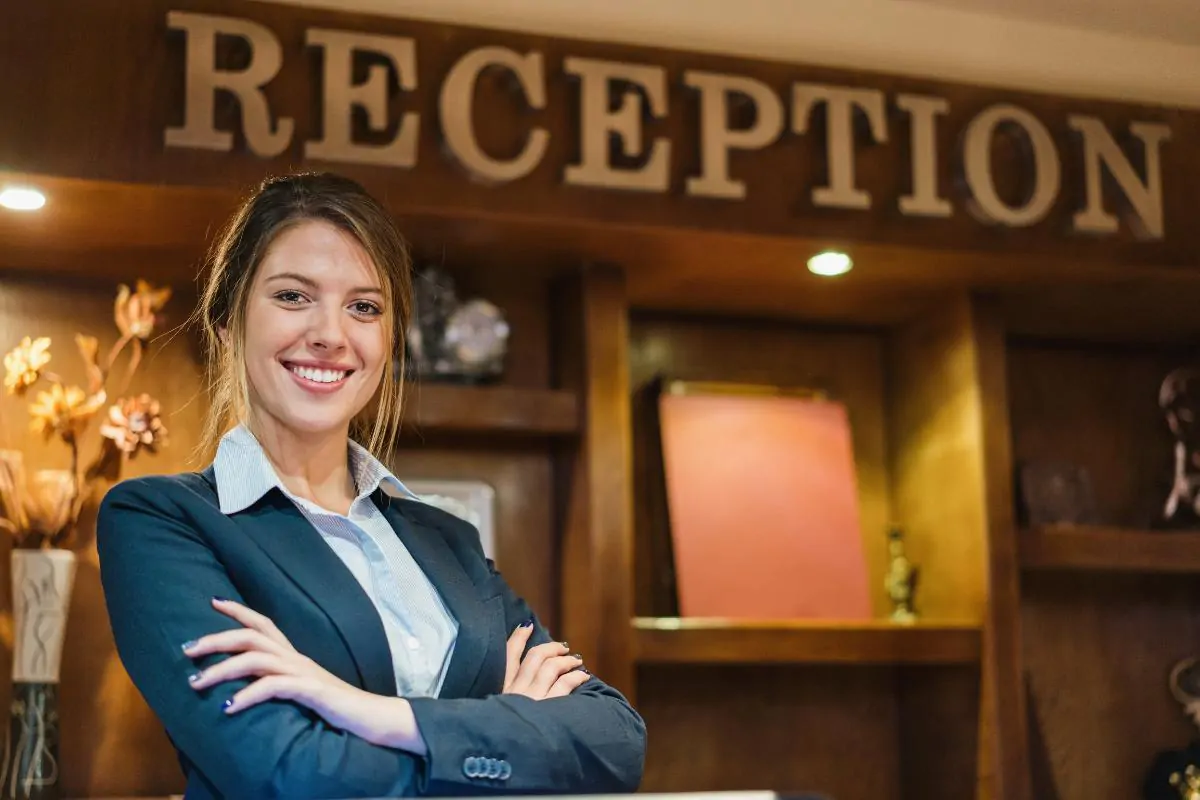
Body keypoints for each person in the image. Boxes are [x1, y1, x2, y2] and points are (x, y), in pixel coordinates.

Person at [96, 172, 647, 799]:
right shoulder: (163, 521)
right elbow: (289, 775)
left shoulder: (448, 540)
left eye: (364, 307)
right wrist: (507, 733)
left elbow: (615, 743)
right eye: (293, 296)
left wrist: (366, 711)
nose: (331, 335)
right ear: (226, 323)